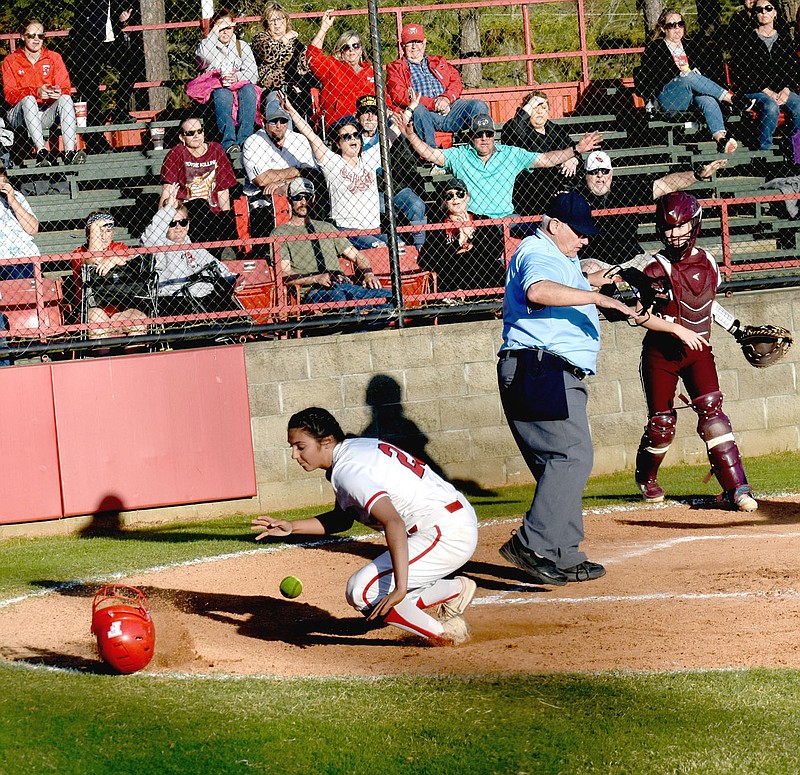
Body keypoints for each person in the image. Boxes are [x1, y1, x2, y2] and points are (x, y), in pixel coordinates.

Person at [496, 191, 637, 585]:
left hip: (546, 370)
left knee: (559, 465)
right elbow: (538, 291)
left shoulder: (562, 257)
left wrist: (605, 279)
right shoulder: (537, 251)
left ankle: (562, 553)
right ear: (554, 224)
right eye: (578, 232)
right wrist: (597, 298)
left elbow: (566, 280)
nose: (585, 240)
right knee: (572, 456)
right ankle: (531, 543)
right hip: (540, 367)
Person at [252, 406, 479, 645]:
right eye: (292, 447)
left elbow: (394, 522)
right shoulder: (352, 451)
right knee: (381, 600)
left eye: (300, 447)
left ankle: (447, 635)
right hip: (450, 521)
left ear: (326, 441)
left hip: (444, 533)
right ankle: (454, 591)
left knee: (362, 591)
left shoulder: (348, 471)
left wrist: (400, 588)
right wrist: (292, 526)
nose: (294, 456)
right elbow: (341, 520)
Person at [625, 192, 758, 512]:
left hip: (698, 350)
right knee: (661, 425)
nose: (673, 234)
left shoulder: (709, 262)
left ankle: (737, 488)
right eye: (667, 228)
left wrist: (737, 329)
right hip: (661, 353)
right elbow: (638, 316)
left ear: (694, 224)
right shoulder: (655, 268)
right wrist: (674, 327)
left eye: (680, 226)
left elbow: (706, 305)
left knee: (714, 415)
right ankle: (646, 478)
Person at [402, 112, 601, 221]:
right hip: (474, 220)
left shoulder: (511, 154)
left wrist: (576, 149)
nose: (484, 139)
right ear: (472, 136)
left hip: (507, 218)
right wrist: (411, 136)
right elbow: (430, 153)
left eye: (488, 134)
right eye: (479, 134)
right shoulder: (460, 155)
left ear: (494, 136)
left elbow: (545, 159)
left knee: (543, 233)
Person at [282, 92, 402, 250]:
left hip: (374, 228)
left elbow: (391, 137)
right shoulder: (332, 162)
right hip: (347, 229)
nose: (353, 139)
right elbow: (311, 136)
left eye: (356, 135)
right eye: (346, 137)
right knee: (378, 246)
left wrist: (411, 109)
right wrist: (292, 112)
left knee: (400, 245)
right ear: (338, 144)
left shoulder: (368, 158)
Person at [572, 150, 728, 271]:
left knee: (662, 270)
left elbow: (666, 184)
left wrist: (697, 175)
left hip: (631, 256)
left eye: (604, 171)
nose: (600, 176)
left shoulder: (627, 190)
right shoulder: (574, 197)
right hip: (595, 259)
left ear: (611, 173)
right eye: (593, 172)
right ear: (585, 175)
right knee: (588, 270)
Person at [271, 177, 390, 312]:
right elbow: (285, 274)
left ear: (313, 199)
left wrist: (368, 274)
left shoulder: (326, 228)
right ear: (289, 200)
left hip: (343, 285)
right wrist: (317, 278)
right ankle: (363, 319)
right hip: (315, 290)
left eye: (307, 197)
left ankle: (362, 323)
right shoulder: (280, 233)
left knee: (388, 297)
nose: (303, 202)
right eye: (298, 197)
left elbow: (358, 256)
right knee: (341, 300)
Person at [637, 10, 748, 153]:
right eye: (672, 25)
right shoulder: (655, 48)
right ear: (663, 28)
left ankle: (721, 138)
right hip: (668, 98)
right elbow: (655, 77)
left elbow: (705, 72)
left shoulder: (692, 46)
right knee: (687, 76)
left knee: (708, 99)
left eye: (680, 24)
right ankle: (731, 98)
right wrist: (682, 74)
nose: (677, 28)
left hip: (691, 96)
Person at [386, 23, 488, 149]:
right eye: (409, 42)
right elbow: (399, 95)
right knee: (418, 110)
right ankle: (433, 157)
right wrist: (434, 103)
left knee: (478, 106)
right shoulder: (395, 68)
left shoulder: (439, 61)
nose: (414, 46)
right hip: (425, 114)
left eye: (417, 41)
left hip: (450, 108)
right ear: (402, 46)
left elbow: (456, 81)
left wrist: (446, 98)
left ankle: (480, 151)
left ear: (424, 43)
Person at [141, 184, 237, 317]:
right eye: (172, 223)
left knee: (231, 307)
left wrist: (233, 279)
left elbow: (215, 265)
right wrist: (168, 209)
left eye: (183, 222)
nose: (178, 227)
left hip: (203, 296)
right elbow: (151, 237)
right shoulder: (159, 246)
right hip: (175, 299)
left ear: (188, 224)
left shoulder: (193, 246)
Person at [2, 19, 86, 167]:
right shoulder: (11, 60)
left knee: (66, 98)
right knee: (28, 99)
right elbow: (9, 96)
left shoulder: (54, 57)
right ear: (22, 36)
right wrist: (36, 93)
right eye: (31, 35)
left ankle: (70, 153)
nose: (36, 39)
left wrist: (58, 92)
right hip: (19, 115)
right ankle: (42, 153)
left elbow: (65, 86)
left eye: (40, 36)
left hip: (45, 112)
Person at [502, 90, 598, 216]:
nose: (540, 111)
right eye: (535, 107)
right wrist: (530, 105)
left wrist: (573, 159)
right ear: (527, 109)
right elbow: (515, 129)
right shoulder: (516, 129)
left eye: (543, 107)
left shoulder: (555, 130)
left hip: (559, 187)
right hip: (530, 191)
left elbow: (574, 149)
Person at [355, 94, 427, 251]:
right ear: (357, 116)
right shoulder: (352, 139)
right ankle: (393, 246)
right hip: (369, 191)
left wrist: (412, 106)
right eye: (365, 112)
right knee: (382, 208)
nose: (370, 117)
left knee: (416, 205)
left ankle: (420, 248)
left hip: (394, 185)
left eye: (374, 113)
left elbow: (399, 126)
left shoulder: (387, 136)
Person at [242, 94, 320, 236]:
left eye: (283, 120)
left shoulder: (298, 139)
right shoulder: (253, 141)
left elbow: (313, 173)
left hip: (297, 191)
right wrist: (297, 171)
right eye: (273, 121)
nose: (279, 126)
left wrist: (284, 183)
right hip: (261, 197)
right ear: (263, 121)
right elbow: (261, 180)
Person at [729, 1, 800, 154]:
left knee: (798, 106)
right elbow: (743, 73)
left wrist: (786, 90)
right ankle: (763, 152)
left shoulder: (784, 40)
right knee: (771, 107)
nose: (764, 12)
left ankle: (796, 152)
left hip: (782, 90)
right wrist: (769, 92)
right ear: (755, 13)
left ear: (775, 13)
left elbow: (793, 69)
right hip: (755, 90)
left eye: (768, 8)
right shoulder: (745, 40)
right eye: (759, 9)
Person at [159, 117, 239, 250]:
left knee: (226, 218)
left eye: (199, 131)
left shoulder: (216, 150)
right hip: (187, 213)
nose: (196, 135)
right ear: (182, 137)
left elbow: (223, 190)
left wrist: (226, 218)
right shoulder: (176, 153)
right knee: (199, 204)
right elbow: (167, 191)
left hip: (213, 213)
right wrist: (161, 221)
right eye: (190, 133)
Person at [419, 177, 505, 292]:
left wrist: (472, 235)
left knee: (489, 265)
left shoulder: (482, 220)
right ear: (445, 202)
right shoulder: (438, 225)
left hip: (481, 274)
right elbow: (426, 260)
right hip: (451, 276)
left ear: (467, 198)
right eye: (449, 196)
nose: (455, 198)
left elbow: (495, 251)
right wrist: (458, 242)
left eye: (460, 194)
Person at [71, 212, 149, 338]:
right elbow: (93, 260)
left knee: (139, 320)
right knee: (98, 320)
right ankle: (104, 357)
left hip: (121, 309)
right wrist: (95, 226)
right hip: (93, 310)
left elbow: (131, 260)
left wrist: (114, 259)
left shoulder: (119, 247)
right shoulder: (78, 253)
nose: (103, 236)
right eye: (98, 231)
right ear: (89, 233)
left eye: (108, 231)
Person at [68, 0, 145, 128]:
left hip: (111, 40)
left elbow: (114, 14)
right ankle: (96, 125)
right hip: (89, 42)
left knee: (134, 66)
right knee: (91, 84)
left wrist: (122, 16)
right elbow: (84, 14)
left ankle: (119, 110)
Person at [195, 9, 259, 158]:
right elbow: (203, 58)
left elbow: (253, 74)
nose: (224, 32)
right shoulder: (206, 45)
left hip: (240, 88)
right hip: (217, 90)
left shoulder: (241, 46)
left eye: (228, 28)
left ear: (233, 28)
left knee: (249, 89)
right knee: (223, 94)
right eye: (220, 28)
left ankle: (245, 140)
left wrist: (237, 78)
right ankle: (229, 142)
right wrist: (213, 32)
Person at [305, 10, 375, 125]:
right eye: (346, 47)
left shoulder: (371, 70)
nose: (351, 49)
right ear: (341, 51)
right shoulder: (332, 66)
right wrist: (324, 28)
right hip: (341, 120)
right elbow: (313, 58)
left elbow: (384, 97)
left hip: (370, 120)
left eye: (355, 46)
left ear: (361, 49)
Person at [251, 2, 317, 120]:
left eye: (280, 19)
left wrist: (299, 84)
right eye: (272, 20)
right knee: (279, 104)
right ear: (267, 23)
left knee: (302, 98)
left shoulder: (296, 44)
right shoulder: (260, 40)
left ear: (286, 20)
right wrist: (285, 38)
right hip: (271, 89)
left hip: (296, 89)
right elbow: (270, 55)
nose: (277, 24)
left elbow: (304, 68)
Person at [0, 161, 40, 281]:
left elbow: (33, 229)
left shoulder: (16, 196)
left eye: (1, 173)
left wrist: (12, 201)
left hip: (26, 255)